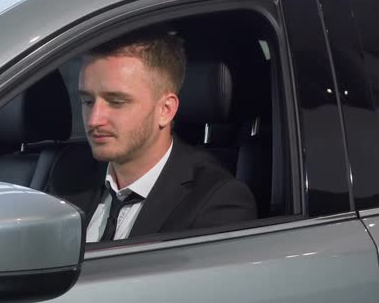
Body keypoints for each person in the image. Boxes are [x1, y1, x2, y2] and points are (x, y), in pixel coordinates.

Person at [77, 30, 257, 242]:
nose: (94, 120)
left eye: (116, 102)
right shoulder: (68, 177)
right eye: (88, 101)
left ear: (165, 109)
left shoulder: (216, 201)